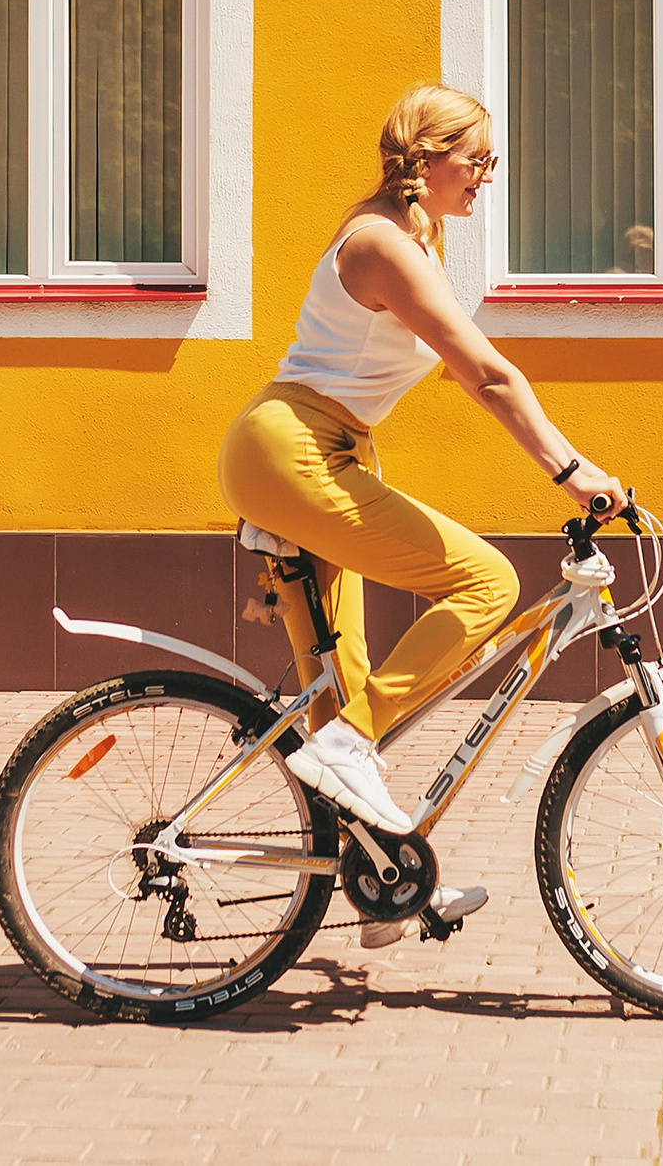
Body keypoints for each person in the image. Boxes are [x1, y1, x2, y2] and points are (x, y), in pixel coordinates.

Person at [218, 83, 623, 948]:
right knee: (487, 582)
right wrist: (569, 467)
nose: (487, 173)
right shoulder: (385, 245)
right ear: (428, 157)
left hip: (319, 451)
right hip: (296, 449)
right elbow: (486, 374)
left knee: (343, 699)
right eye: (477, 157)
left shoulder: (411, 237)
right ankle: (350, 750)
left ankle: (380, 881)